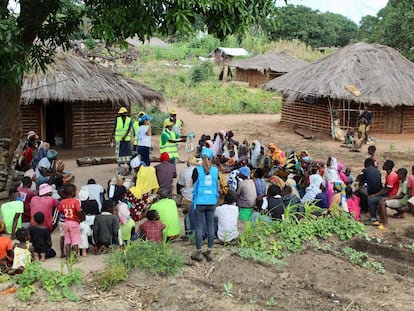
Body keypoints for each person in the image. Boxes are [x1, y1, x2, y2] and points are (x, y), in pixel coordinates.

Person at [191, 147, 219, 262]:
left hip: (200, 201)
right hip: (212, 201)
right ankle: (209, 251)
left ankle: (198, 252)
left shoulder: (196, 170)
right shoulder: (215, 170)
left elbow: (192, 184)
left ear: (201, 158)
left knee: (198, 228)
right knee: (210, 226)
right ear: (212, 158)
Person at [366, 160, 399, 226]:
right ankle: (377, 217)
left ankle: (373, 218)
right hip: (389, 194)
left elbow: (386, 190)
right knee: (374, 198)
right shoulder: (389, 174)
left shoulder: (392, 176)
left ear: (387, 167)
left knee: (371, 200)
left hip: (391, 195)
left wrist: (374, 195)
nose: (383, 166)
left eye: (384, 165)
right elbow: (385, 188)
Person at [58, 184, 81, 259]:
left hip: (66, 222)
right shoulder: (76, 201)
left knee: (67, 241)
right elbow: (78, 211)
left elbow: (60, 210)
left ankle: (67, 257)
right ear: (73, 193)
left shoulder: (62, 202)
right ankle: (76, 257)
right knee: (75, 241)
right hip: (74, 222)